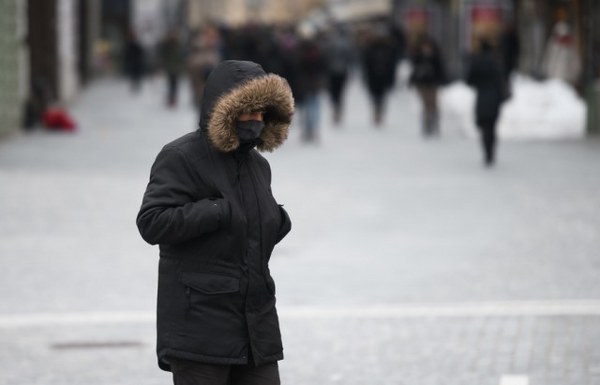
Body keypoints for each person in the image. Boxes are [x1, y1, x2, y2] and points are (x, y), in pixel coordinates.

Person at [136, 60, 294, 385]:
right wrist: (216, 211)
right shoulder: (181, 156)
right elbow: (152, 222)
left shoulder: (258, 166)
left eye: (262, 112)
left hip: (255, 324)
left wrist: (276, 221)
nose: (256, 120)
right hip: (199, 328)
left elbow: (251, 229)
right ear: (225, 109)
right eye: (248, 112)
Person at [466, 39, 507, 167]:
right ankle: (491, 152)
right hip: (494, 97)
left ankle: (487, 152)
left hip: (482, 96)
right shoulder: (496, 62)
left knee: (484, 126)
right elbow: (501, 79)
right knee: (492, 126)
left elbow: (470, 80)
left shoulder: (477, 61)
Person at [409, 35, 446, 136]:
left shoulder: (435, 57)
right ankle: (427, 125)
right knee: (426, 105)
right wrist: (412, 81)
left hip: (433, 84)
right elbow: (414, 70)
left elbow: (441, 70)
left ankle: (434, 123)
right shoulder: (419, 57)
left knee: (433, 105)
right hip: (422, 84)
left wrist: (442, 80)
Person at [361, 25, 398, 126]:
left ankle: (378, 111)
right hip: (374, 76)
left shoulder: (389, 48)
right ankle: (377, 111)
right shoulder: (370, 48)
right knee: (376, 96)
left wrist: (392, 78)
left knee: (381, 96)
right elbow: (366, 64)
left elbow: (392, 65)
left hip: (382, 76)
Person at [159, 29, 184, 107]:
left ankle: (173, 98)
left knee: (175, 84)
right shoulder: (167, 45)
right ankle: (171, 98)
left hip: (176, 67)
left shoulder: (178, 44)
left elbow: (181, 56)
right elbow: (163, 56)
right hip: (170, 67)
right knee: (171, 84)